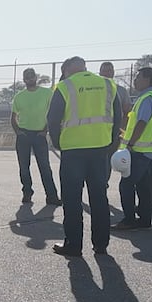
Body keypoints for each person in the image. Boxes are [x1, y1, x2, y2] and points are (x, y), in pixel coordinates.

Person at [47, 56, 122, 257]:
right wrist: (112, 144)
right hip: (100, 149)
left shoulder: (64, 86)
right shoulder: (107, 84)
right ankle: (101, 244)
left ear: (67, 70)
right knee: (99, 198)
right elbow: (118, 116)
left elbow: (52, 119)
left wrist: (57, 142)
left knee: (72, 200)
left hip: (73, 151)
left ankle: (73, 245)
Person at [113, 67, 152, 231]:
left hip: (140, 151)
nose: (135, 80)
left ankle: (129, 219)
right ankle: (144, 218)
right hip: (147, 150)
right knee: (143, 185)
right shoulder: (149, 97)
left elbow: (142, 123)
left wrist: (130, 144)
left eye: (138, 77)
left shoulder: (147, 99)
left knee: (126, 184)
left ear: (147, 79)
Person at [11, 68, 61, 205]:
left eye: (31, 76)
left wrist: (45, 130)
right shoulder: (19, 96)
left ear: (35, 77)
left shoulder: (47, 93)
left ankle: (51, 196)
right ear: (24, 79)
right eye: (26, 77)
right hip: (24, 135)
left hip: (40, 135)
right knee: (24, 167)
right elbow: (13, 117)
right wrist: (18, 132)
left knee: (44, 166)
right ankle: (27, 192)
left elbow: (52, 114)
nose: (29, 78)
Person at [100, 61, 133, 188]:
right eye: (105, 70)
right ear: (100, 72)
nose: (108, 72)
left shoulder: (120, 90)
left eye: (110, 70)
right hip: (98, 131)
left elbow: (126, 111)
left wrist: (121, 129)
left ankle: (104, 182)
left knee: (108, 158)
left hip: (113, 132)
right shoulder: (96, 89)